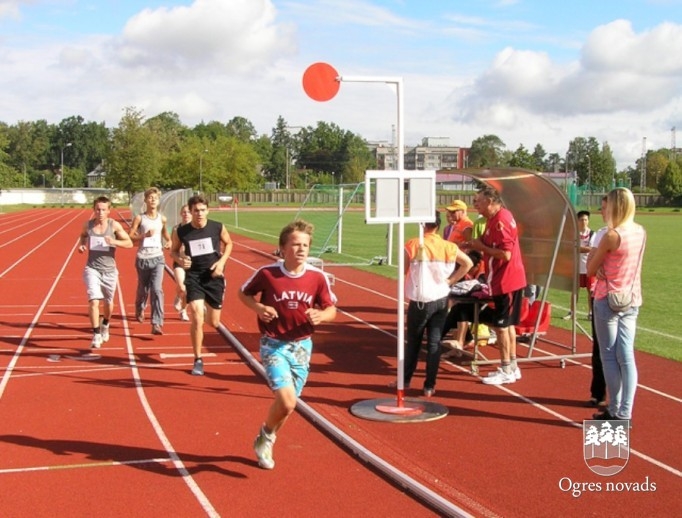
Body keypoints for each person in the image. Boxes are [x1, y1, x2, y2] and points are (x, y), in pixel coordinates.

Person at [238, 220, 337, 470]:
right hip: (274, 344)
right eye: (295, 244)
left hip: (302, 347)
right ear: (283, 248)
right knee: (287, 401)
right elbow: (243, 293)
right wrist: (259, 308)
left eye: (305, 245)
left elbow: (331, 308)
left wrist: (321, 316)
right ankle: (268, 438)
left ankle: (265, 437)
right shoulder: (268, 274)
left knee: (287, 405)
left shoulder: (317, 277)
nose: (301, 249)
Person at [587, 188, 646, 423]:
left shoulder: (612, 235)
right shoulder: (640, 231)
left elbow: (591, 268)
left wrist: (598, 267)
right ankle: (625, 411)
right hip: (631, 298)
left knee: (609, 356)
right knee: (627, 356)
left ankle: (615, 408)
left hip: (607, 298)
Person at [403, 211, 473, 397]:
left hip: (420, 299)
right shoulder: (448, 246)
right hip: (441, 298)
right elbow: (468, 263)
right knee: (434, 343)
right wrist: (450, 281)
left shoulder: (413, 244)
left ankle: (405, 380)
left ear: (422, 225)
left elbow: (403, 269)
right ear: (438, 226)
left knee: (413, 343)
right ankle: (429, 386)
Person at [468, 186, 527, 385]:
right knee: (507, 325)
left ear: (491, 202)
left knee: (503, 327)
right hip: (504, 280)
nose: (475, 204)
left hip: (507, 280)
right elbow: (483, 242)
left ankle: (506, 369)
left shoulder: (501, 221)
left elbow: (506, 254)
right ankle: (511, 366)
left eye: (479, 201)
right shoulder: (494, 219)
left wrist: (481, 248)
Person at [170, 194, 233, 376]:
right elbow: (173, 251)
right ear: (190, 211)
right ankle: (198, 359)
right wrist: (181, 259)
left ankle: (205, 310)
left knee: (214, 322)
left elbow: (229, 244)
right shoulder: (181, 231)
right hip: (194, 276)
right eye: (196, 210)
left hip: (213, 276)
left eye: (203, 210)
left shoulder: (217, 227)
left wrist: (221, 263)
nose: (199, 214)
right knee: (197, 316)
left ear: (208, 210)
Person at [77, 196, 133, 349]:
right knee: (94, 300)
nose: (100, 212)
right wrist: (82, 245)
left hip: (109, 271)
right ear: (93, 210)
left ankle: (106, 324)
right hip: (92, 268)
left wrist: (114, 242)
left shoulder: (113, 226)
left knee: (108, 303)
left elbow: (129, 243)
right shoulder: (87, 226)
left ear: (109, 211)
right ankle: (96, 333)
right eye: (97, 209)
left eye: (103, 210)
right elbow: (82, 236)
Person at [129, 187, 171, 335]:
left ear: (158, 201)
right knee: (143, 289)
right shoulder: (140, 218)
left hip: (158, 258)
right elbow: (131, 235)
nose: (153, 200)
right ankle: (139, 307)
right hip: (142, 258)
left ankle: (157, 322)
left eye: (155, 198)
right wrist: (143, 236)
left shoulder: (162, 218)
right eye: (150, 197)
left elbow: (165, 232)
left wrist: (169, 241)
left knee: (157, 289)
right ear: (146, 200)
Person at [586, 197, 608, 408]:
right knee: (601, 348)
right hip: (602, 296)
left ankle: (620, 406)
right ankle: (599, 392)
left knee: (621, 354)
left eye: (605, 209)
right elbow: (591, 265)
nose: (602, 212)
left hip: (623, 300)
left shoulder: (636, 233)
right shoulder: (602, 233)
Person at [564, 210, 595, 320]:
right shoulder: (574, 234)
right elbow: (571, 248)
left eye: (586, 220)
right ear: (577, 221)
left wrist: (578, 249)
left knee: (591, 291)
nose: (584, 222)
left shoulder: (592, 234)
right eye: (581, 220)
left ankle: (591, 313)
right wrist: (581, 249)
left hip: (589, 268)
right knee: (574, 291)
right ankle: (572, 312)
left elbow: (592, 250)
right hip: (576, 268)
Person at [172, 204, 192, 322]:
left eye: (188, 212)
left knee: (188, 290)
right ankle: (179, 294)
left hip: (192, 263)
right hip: (179, 261)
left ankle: (183, 310)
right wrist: (179, 258)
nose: (186, 214)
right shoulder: (176, 229)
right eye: (184, 212)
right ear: (180, 214)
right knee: (182, 286)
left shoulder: (196, 228)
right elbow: (173, 247)